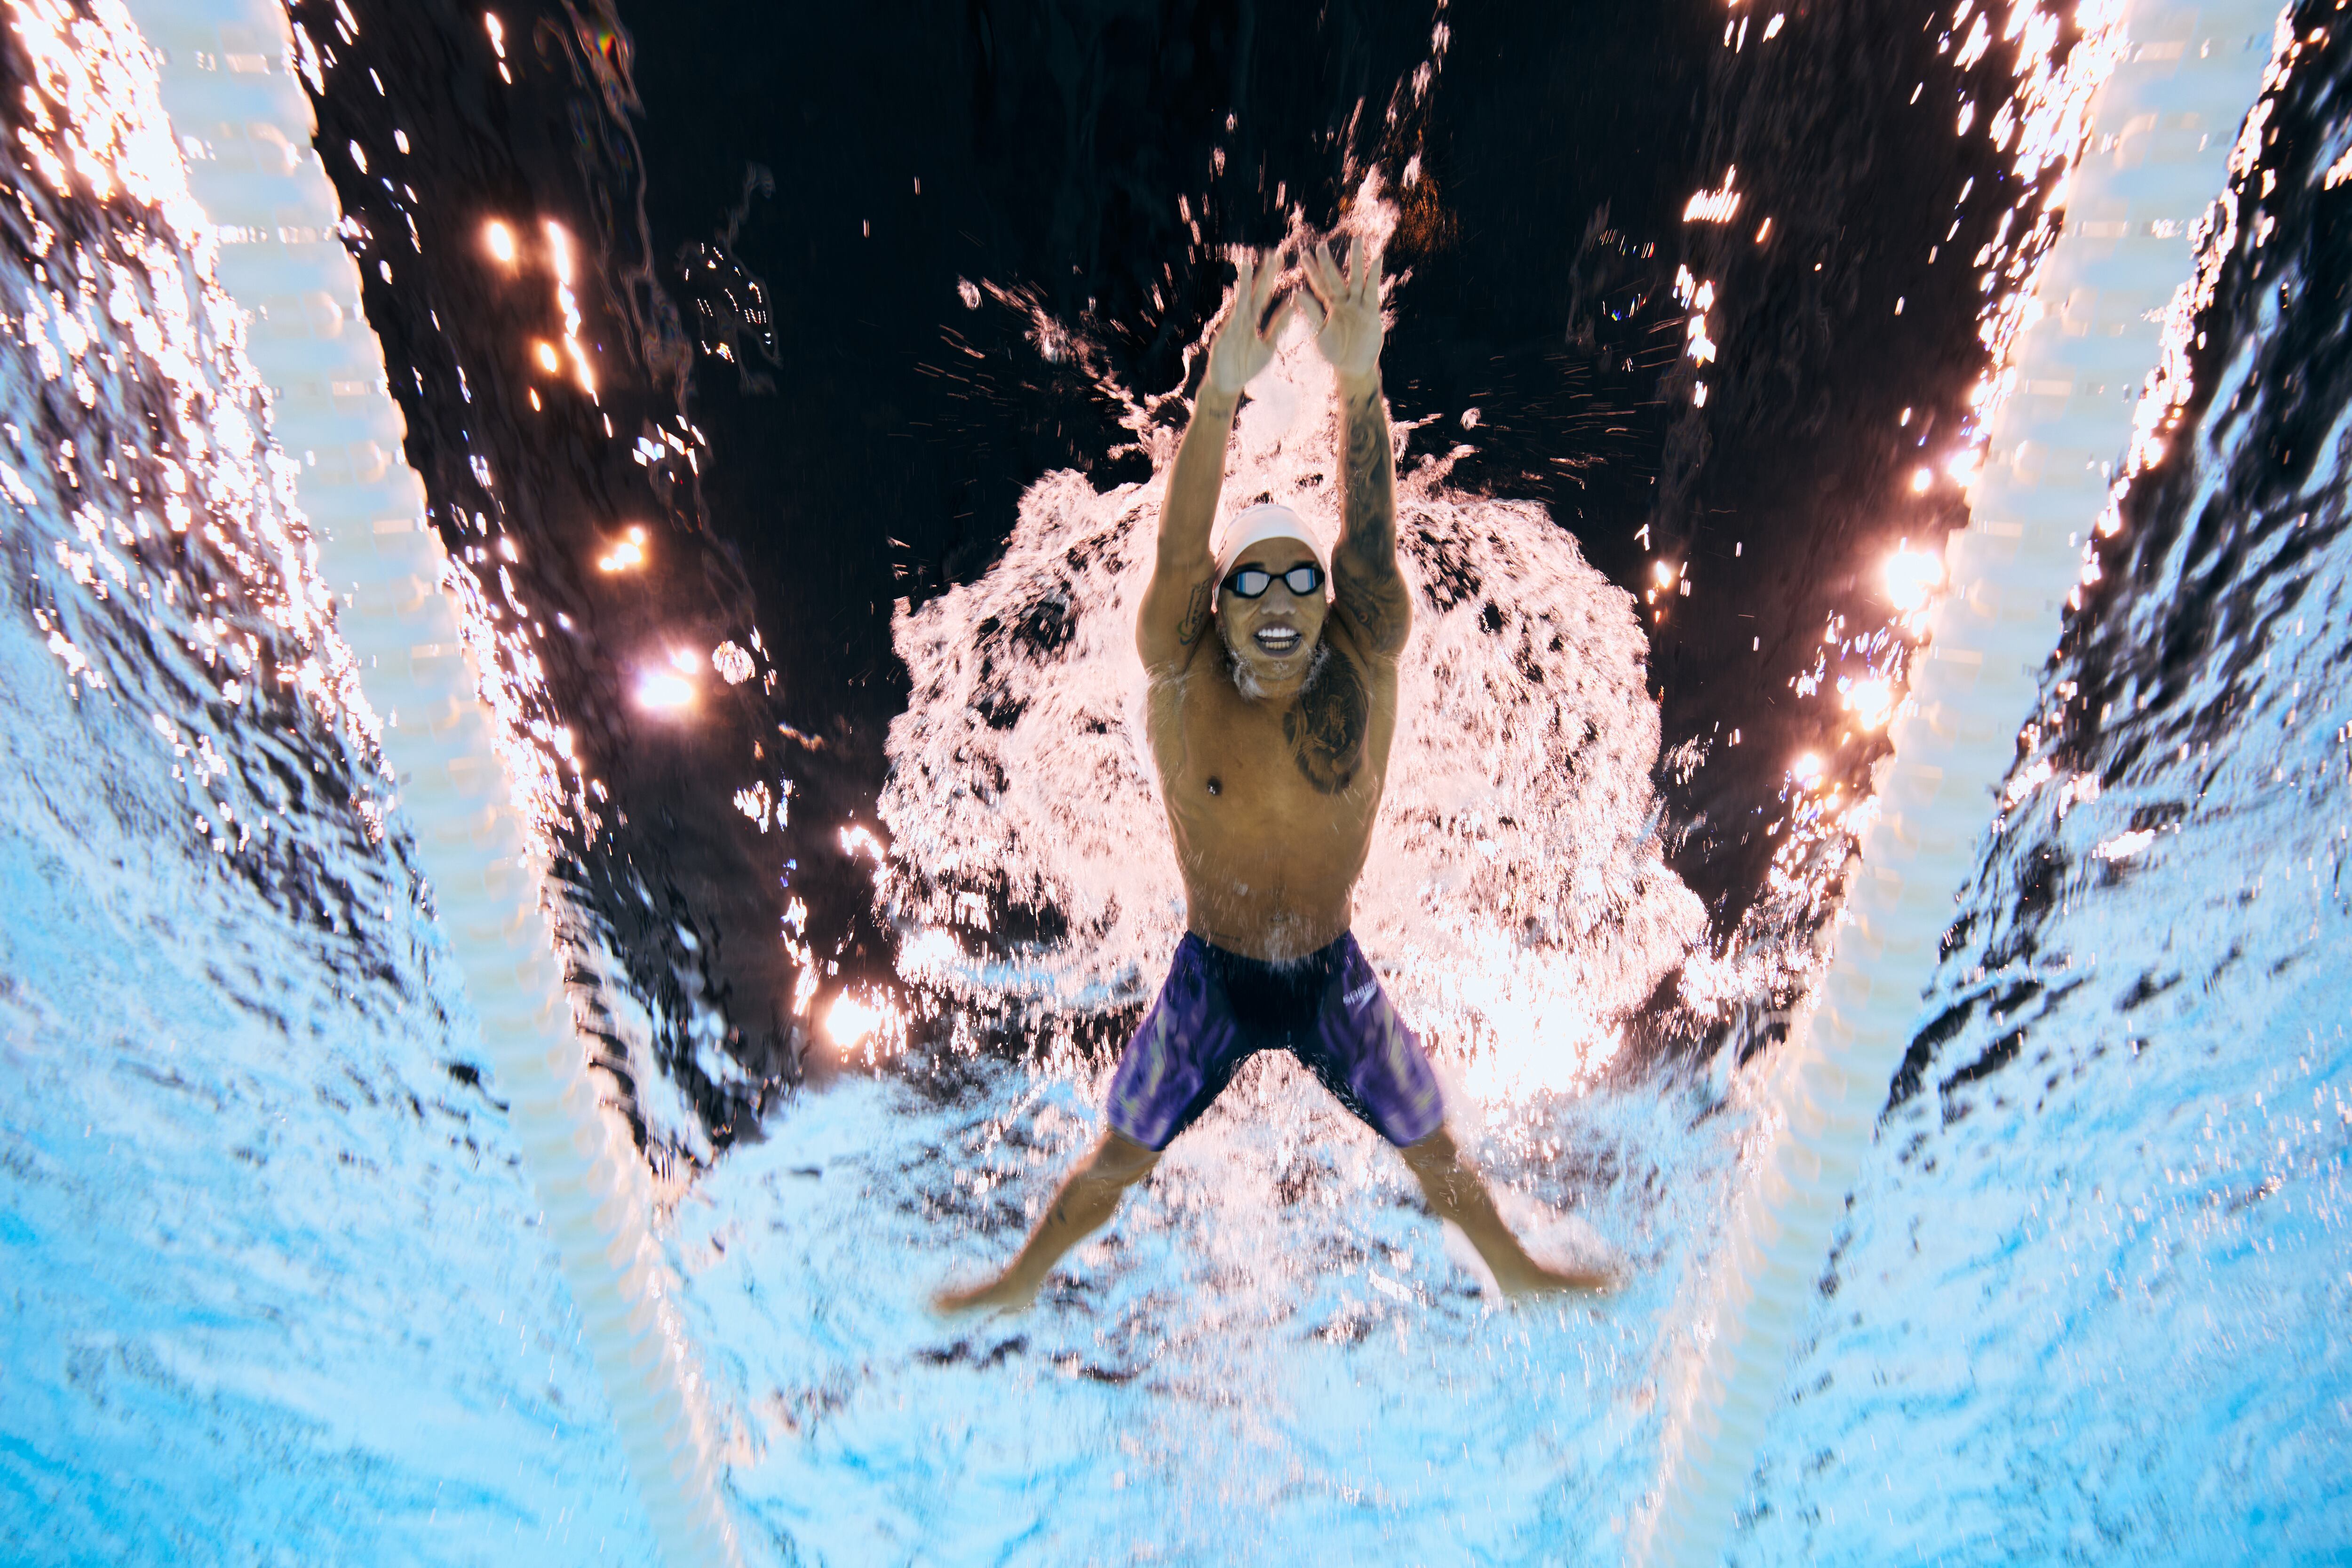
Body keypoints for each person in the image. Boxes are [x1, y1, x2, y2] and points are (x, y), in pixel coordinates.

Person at [935, 241, 1612, 1315]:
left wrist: (1359, 383)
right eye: (1251, 581)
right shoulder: (1183, 666)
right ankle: (1019, 1283)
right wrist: (1215, 401)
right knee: (1121, 1155)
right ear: (1217, 605)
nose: (1281, 596)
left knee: (1431, 1146)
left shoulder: (1363, 651)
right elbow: (1178, 554)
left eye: (1302, 575)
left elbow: (1370, 546)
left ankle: (1518, 1271)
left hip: (1331, 975)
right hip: (1213, 979)